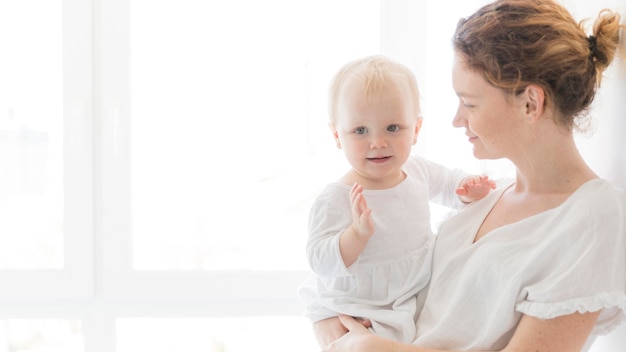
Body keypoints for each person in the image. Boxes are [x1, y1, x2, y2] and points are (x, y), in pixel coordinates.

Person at [314, 0, 626, 351]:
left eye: (470, 102)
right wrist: (328, 320)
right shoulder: (487, 196)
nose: (457, 119)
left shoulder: (593, 215)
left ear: (531, 104)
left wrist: (370, 348)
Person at [298, 55, 496, 345]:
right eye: (360, 131)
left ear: (415, 129)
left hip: (410, 293)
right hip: (359, 304)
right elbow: (320, 261)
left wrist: (467, 188)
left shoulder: (416, 170)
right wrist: (356, 235)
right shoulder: (337, 197)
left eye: (392, 128)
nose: (377, 142)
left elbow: (449, 183)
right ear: (337, 135)